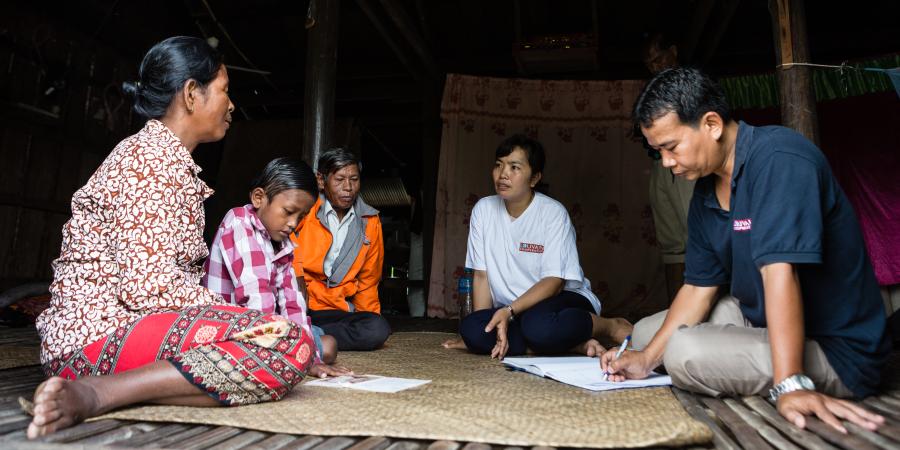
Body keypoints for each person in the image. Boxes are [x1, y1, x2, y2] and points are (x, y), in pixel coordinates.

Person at [29, 37, 335, 439]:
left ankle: (140, 387)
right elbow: (150, 288)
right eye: (225, 91)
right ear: (192, 94)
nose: (231, 105)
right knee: (288, 343)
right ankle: (96, 394)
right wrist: (245, 320)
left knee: (296, 341)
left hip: (130, 329)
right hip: (95, 339)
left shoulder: (169, 162)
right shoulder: (148, 161)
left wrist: (237, 319)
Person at [602, 67, 889, 433]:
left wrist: (790, 384)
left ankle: (788, 374)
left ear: (711, 124)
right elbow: (698, 289)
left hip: (837, 349)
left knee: (685, 353)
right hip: (760, 318)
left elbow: (780, 273)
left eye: (671, 148)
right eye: (658, 152)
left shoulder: (780, 158)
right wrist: (644, 361)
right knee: (645, 335)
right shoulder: (706, 191)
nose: (667, 163)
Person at [443, 134, 632, 359]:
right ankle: (572, 345)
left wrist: (508, 310)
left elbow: (554, 282)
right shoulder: (483, 211)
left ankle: (609, 326)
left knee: (538, 326)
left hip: (561, 303)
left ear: (534, 178)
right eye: (498, 165)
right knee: (472, 329)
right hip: (513, 312)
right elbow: (481, 277)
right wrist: (485, 326)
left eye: (514, 167)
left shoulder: (553, 213)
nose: (503, 174)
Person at [203, 157, 348, 367]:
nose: (293, 223)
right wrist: (298, 355)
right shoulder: (238, 223)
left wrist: (308, 358)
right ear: (259, 198)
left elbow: (292, 302)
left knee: (327, 345)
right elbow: (257, 298)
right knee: (314, 346)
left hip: (270, 324)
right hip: (231, 330)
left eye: (301, 216)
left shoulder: (282, 241)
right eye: (288, 212)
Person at [290, 148, 391, 351]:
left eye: (354, 179)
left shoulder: (369, 221)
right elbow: (287, 247)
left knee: (377, 329)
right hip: (299, 301)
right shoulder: (307, 209)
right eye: (339, 179)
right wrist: (299, 281)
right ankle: (307, 331)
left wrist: (369, 316)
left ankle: (307, 334)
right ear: (321, 180)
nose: (348, 187)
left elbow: (368, 281)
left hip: (335, 311)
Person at [641, 33, 696, 303]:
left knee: (692, 227)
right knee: (671, 240)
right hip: (660, 162)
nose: (655, 66)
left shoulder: (689, 83)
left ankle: (702, 309)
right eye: (649, 62)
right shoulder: (653, 88)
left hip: (684, 160)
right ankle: (676, 309)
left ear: (673, 51)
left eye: (658, 58)